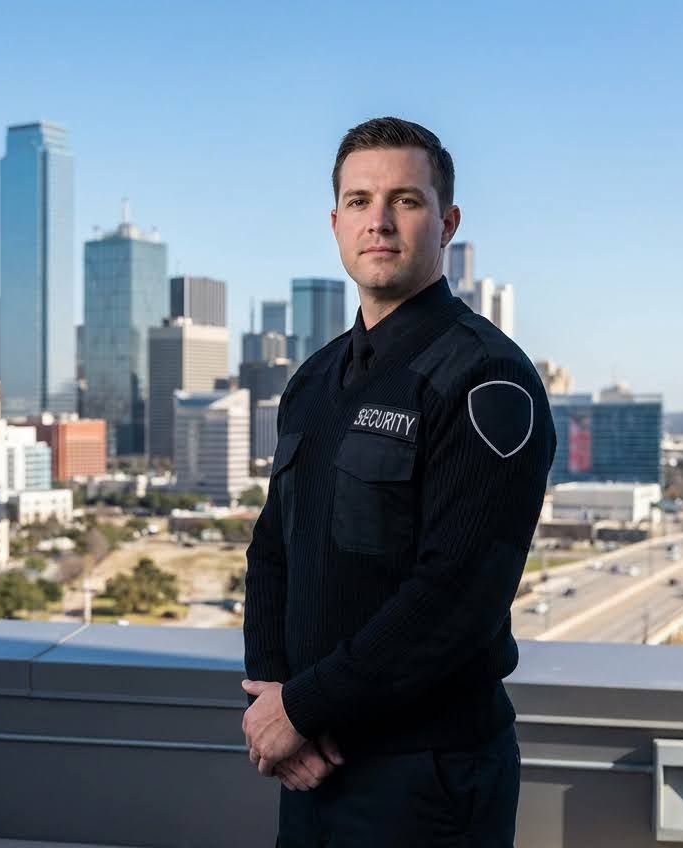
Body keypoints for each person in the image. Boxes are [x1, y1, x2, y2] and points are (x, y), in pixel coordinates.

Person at [241, 116, 556, 847]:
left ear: (446, 222)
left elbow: (455, 599)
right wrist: (273, 703)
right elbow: (271, 552)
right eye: (359, 201)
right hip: (313, 765)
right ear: (335, 222)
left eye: (405, 201)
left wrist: (303, 708)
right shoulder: (315, 379)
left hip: (428, 778)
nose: (378, 221)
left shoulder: (485, 377)